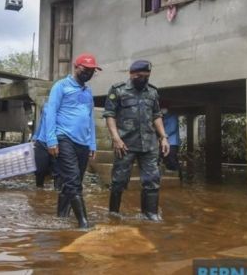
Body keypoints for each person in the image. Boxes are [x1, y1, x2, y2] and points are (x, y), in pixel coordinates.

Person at [103, 60, 170, 221]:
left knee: (152, 180)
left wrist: (163, 137)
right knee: (119, 181)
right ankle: (113, 213)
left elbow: (156, 115)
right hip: (125, 144)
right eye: (140, 76)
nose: (144, 79)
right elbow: (110, 115)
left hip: (149, 144)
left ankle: (150, 213)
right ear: (132, 74)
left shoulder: (152, 92)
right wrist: (116, 138)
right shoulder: (118, 90)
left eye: (147, 76)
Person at [45, 53, 101, 228]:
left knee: (72, 182)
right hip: (64, 137)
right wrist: (51, 140)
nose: (89, 73)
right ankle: (83, 223)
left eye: (92, 71)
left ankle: (61, 218)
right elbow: (51, 112)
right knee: (74, 180)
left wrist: (92, 143)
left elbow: (90, 117)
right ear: (76, 67)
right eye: (86, 70)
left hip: (83, 142)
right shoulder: (60, 86)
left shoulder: (88, 91)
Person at [32, 102, 62, 191]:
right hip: (42, 142)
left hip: (58, 143)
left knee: (58, 173)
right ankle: (39, 192)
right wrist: (35, 137)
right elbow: (42, 122)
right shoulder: (46, 105)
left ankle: (57, 194)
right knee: (39, 170)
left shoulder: (67, 107)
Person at [160, 100, 181, 177]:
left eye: (164, 108)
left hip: (172, 143)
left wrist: (161, 135)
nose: (163, 109)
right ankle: (172, 177)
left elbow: (172, 129)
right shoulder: (162, 117)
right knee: (166, 160)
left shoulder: (172, 116)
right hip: (165, 142)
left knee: (172, 160)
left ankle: (178, 177)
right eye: (161, 108)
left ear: (167, 108)